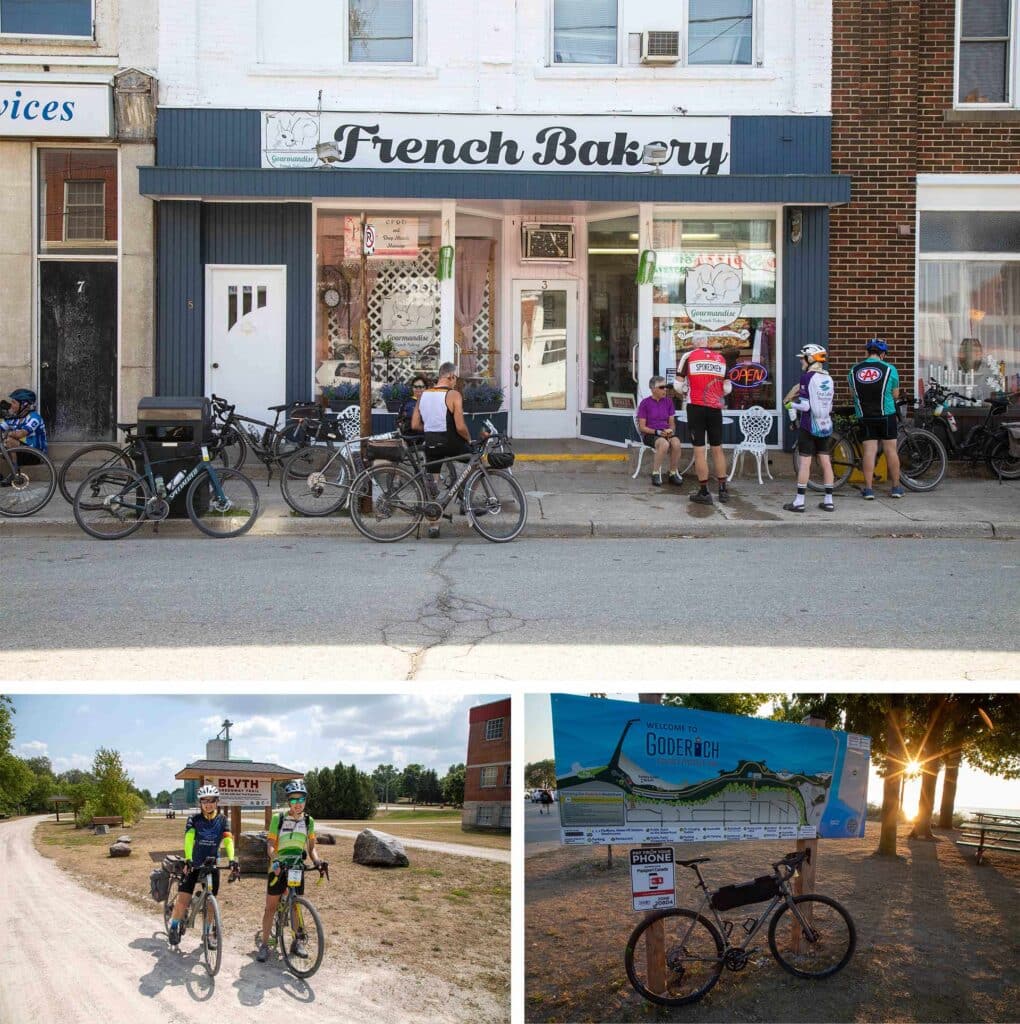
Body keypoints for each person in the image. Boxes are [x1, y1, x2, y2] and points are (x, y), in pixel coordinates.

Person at [257, 779, 326, 964]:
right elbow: (270, 846)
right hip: (278, 868)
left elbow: (311, 849)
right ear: (288, 802)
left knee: (296, 905)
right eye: (294, 800)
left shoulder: (308, 821)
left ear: (305, 800)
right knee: (270, 908)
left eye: (301, 799)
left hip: (296, 868)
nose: (298, 804)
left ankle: (297, 942)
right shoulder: (278, 819)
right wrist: (275, 859)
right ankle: (264, 945)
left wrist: (318, 862)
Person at [167, 785, 239, 948]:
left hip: (212, 865)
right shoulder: (194, 819)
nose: (208, 804)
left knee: (211, 904)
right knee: (183, 901)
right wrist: (188, 859)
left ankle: (207, 934)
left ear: (216, 802)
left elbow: (228, 840)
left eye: (211, 801)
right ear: (200, 803)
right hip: (194, 864)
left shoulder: (222, 820)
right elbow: (189, 838)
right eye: (204, 801)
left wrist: (232, 859)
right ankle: (174, 925)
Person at [411, 362, 471, 538]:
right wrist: (469, 437)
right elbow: (459, 426)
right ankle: (466, 503)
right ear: (450, 376)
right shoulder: (453, 394)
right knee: (475, 461)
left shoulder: (423, 395)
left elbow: (414, 424)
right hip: (450, 440)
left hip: (430, 441)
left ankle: (433, 525)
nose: (455, 382)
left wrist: (430, 427)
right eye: (455, 378)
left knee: (433, 482)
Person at [674, 344, 732, 505]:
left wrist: (687, 391)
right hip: (714, 408)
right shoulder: (720, 358)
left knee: (700, 451)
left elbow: (678, 385)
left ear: (694, 344)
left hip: (696, 407)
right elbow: (727, 388)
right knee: (717, 449)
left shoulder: (689, 356)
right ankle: (723, 490)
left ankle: (704, 492)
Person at [848, 338, 904, 499]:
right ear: (883, 354)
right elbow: (895, 394)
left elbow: (853, 394)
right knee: (891, 451)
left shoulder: (854, 370)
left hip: (865, 415)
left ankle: (869, 489)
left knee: (869, 451)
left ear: (867, 352)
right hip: (886, 414)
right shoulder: (890, 369)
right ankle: (895, 488)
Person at [783, 344, 836, 512]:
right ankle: (828, 500)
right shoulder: (828, 378)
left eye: (803, 358)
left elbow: (805, 406)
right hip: (825, 425)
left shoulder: (807, 378)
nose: (801, 362)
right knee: (826, 462)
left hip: (809, 425)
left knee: (805, 463)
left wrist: (791, 404)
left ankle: (799, 501)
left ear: (810, 358)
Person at [636, 376, 683, 487]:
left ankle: (672, 473)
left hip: (666, 432)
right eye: (662, 387)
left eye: (666, 387)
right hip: (651, 433)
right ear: (653, 388)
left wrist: (671, 430)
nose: (665, 389)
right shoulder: (645, 403)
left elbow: (672, 423)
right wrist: (657, 432)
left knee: (676, 443)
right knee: (664, 444)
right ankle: (656, 473)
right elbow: (642, 427)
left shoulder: (668, 402)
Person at [1, 388, 48, 483]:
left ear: (24, 405)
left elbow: (20, 434)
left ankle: (15, 474)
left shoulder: (34, 418)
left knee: (10, 440)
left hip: (36, 455)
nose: (11, 406)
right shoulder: (14, 418)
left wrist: (6, 434)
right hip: (21, 452)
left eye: (14, 403)